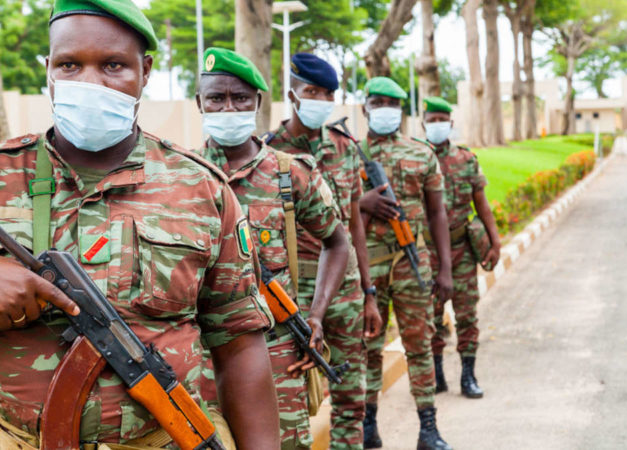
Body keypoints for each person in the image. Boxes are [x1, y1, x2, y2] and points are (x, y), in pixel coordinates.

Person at [0, 1, 280, 448]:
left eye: (113, 65)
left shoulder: (202, 188)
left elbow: (240, 346)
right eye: (69, 65)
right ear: (49, 69)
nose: (90, 83)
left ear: (146, 71)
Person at [193, 47, 351, 449]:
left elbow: (337, 241)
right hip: (201, 356)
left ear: (258, 103)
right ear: (200, 103)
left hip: (278, 351)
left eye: (241, 98)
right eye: (217, 98)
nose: (229, 108)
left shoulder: (288, 172)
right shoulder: (182, 174)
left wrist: (315, 316)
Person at [265, 53, 383, 449]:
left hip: (345, 289)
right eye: (311, 91)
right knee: (292, 395)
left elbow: (352, 228)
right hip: (293, 293)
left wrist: (368, 293)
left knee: (352, 394)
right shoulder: (267, 152)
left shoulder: (343, 146)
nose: (320, 99)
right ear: (292, 95)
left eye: (327, 93)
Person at [357, 77, 453, 450]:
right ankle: (368, 425)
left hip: (412, 265)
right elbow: (329, 210)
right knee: (367, 346)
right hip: (367, 269)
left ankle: (428, 428)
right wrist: (362, 204)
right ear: (366, 107)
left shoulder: (421, 153)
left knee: (420, 343)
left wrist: (445, 269)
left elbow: (437, 213)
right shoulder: (349, 153)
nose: (385, 110)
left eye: (392, 104)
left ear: (402, 111)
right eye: (378, 102)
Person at [419, 96, 501, 402]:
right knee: (431, 315)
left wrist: (495, 239)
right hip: (427, 252)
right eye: (432, 120)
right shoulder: (415, 158)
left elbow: (482, 205)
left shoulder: (467, 160)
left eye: (443, 119)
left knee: (467, 314)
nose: (437, 125)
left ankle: (468, 375)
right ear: (423, 123)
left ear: (451, 124)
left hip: (462, 250)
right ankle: (437, 373)